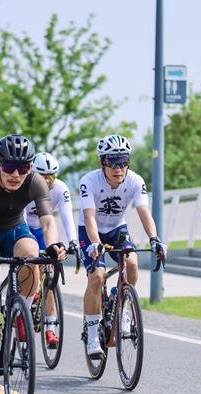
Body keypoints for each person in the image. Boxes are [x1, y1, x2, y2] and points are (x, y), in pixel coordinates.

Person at [0, 135, 66, 394]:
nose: (16, 174)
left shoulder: (35, 182)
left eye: (23, 167)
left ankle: (22, 310)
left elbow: (47, 222)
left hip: (12, 231)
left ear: (31, 168)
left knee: (33, 255)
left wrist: (54, 245)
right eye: (9, 167)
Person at [77, 135, 167, 357]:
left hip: (117, 228)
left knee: (132, 263)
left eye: (123, 162)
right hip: (91, 231)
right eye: (112, 162)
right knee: (97, 276)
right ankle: (91, 335)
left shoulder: (135, 180)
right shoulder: (89, 181)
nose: (118, 168)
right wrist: (96, 243)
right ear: (102, 163)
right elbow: (89, 217)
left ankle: (123, 304)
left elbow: (144, 211)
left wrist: (154, 239)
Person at [24, 152, 78, 348]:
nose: (48, 182)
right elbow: (20, 218)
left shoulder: (60, 188)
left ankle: (50, 329)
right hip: (25, 228)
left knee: (51, 275)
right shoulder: (24, 186)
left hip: (45, 229)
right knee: (32, 271)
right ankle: (26, 308)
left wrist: (73, 241)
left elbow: (66, 216)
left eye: (52, 177)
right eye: (43, 177)